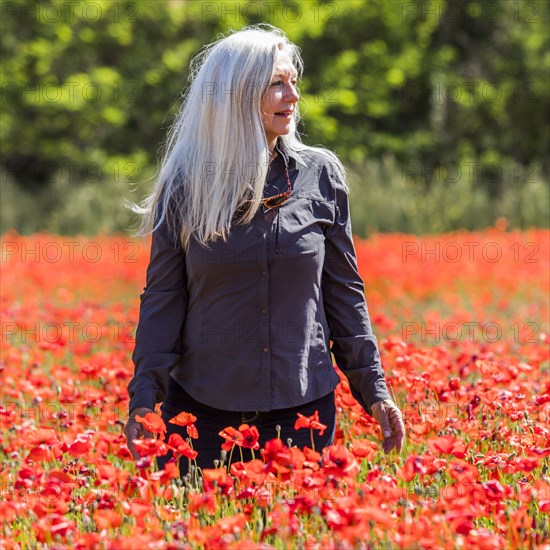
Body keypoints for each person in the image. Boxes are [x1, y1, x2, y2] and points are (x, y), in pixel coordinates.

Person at [124, 24, 405, 475]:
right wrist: (144, 400)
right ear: (236, 94)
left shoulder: (321, 176)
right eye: (277, 84)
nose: (292, 96)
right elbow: (163, 300)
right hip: (202, 415)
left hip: (303, 412)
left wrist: (374, 390)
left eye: (294, 82)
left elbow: (344, 294)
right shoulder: (186, 186)